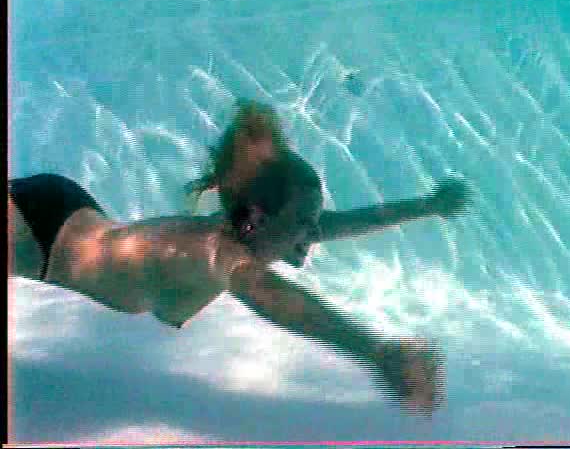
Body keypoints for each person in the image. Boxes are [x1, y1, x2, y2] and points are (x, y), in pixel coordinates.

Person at [8, 99, 470, 415]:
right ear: (260, 221)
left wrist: (428, 206)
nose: (312, 234)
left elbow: (346, 222)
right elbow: (278, 300)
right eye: (304, 223)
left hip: (67, 215)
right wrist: (375, 351)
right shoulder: (218, 251)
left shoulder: (258, 232)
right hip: (41, 231)